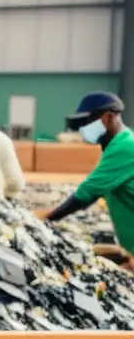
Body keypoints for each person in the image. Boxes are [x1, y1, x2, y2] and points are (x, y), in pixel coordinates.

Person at [42, 92, 134, 255]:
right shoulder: (116, 146)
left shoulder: (125, 147)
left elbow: (86, 194)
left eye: (87, 122)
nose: (83, 129)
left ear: (107, 118)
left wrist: (46, 217)